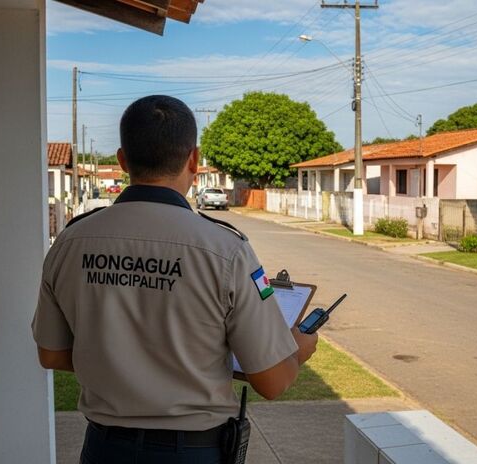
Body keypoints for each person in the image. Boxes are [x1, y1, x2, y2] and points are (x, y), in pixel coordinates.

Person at [31, 95, 318, 463]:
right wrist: (297, 349)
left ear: (122, 160)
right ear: (193, 160)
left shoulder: (72, 241)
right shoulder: (226, 249)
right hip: (192, 452)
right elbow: (272, 381)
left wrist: (119, 359)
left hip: (104, 449)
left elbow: (51, 353)